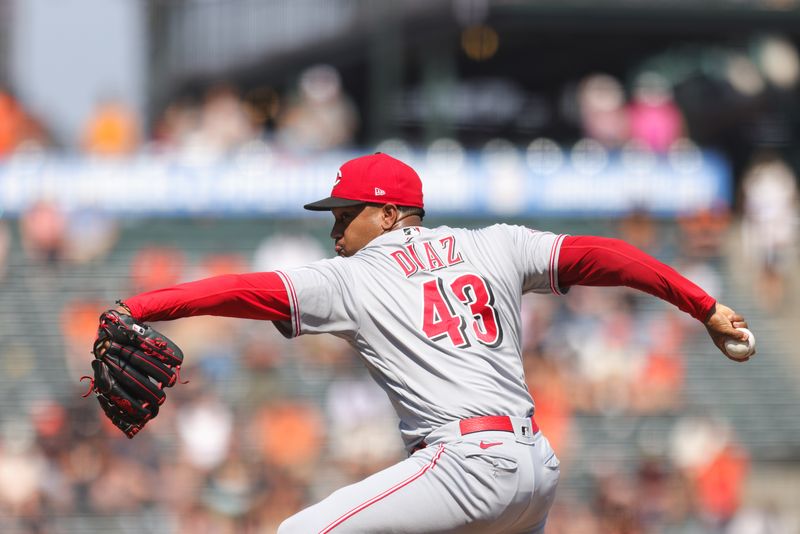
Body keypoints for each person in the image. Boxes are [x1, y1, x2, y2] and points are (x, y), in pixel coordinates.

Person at [112, 153, 751, 533]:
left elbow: (241, 291)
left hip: (465, 464)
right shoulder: (493, 244)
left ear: (390, 215)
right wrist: (704, 306)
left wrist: (138, 307)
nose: (334, 229)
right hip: (534, 468)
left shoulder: (353, 277)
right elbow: (602, 254)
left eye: (345, 213)